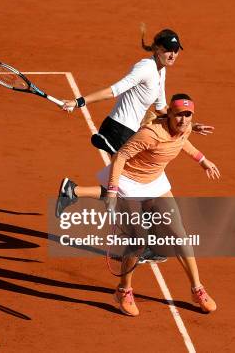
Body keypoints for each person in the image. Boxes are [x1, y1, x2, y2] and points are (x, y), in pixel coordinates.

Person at [56, 94, 220, 316]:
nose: (183, 120)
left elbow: (183, 142)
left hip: (155, 181)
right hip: (128, 182)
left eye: (187, 115)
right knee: (138, 240)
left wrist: (202, 160)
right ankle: (123, 291)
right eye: (179, 114)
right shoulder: (150, 135)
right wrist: (113, 191)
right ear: (170, 114)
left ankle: (197, 288)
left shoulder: (187, 127)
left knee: (179, 234)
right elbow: (121, 156)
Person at [62, 26, 213, 263]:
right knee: (130, 189)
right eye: (168, 50)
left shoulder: (161, 71)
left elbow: (163, 110)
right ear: (157, 49)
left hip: (131, 132)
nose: (173, 55)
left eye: (176, 51)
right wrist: (79, 101)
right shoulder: (145, 68)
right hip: (117, 130)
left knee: (130, 188)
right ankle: (139, 242)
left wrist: (190, 126)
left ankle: (73, 191)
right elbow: (114, 90)